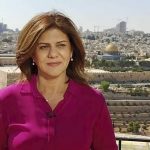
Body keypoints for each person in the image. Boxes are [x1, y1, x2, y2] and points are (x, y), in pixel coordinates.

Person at [0, 11, 118, 150]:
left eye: (61, 45)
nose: (53, 54)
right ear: (32, 53)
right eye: (43, 47)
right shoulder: (7, 100)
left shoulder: (93, 101)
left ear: (71, 51)